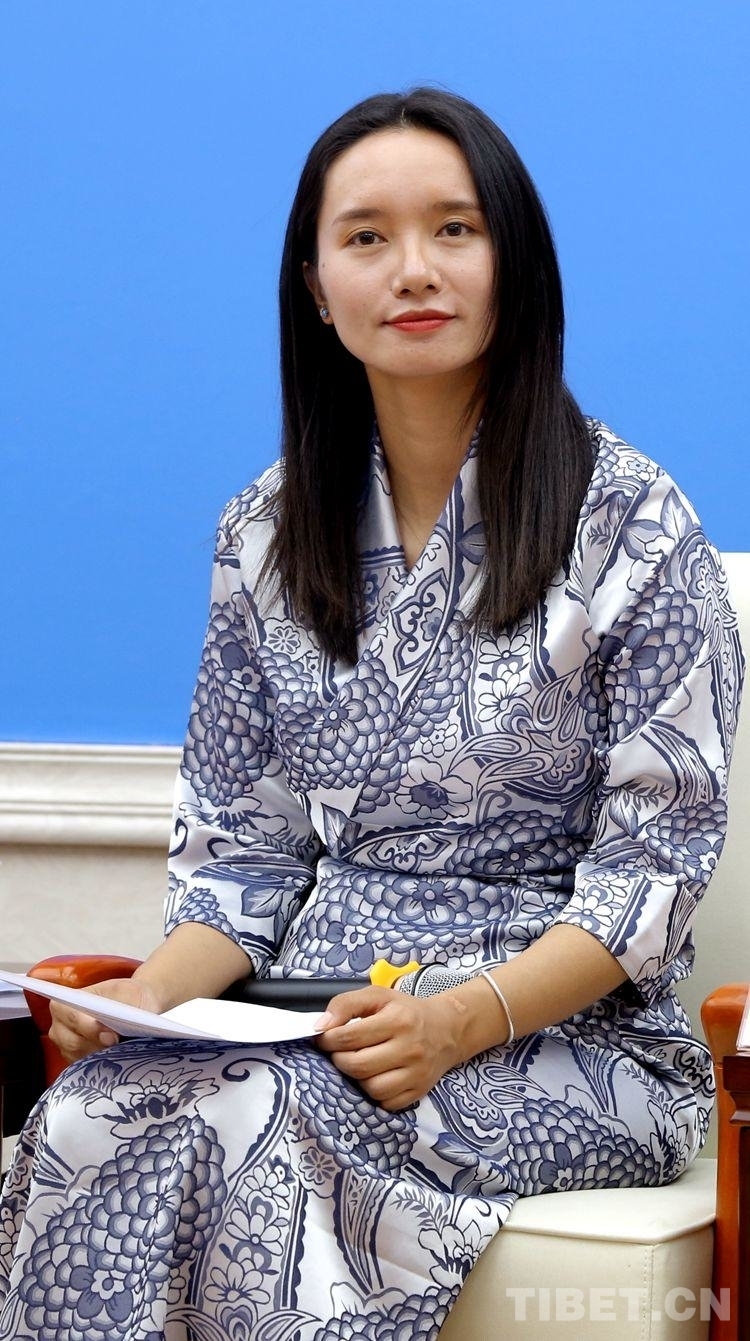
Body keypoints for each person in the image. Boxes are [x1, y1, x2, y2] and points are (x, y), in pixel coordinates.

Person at [0, 87, 744, 1341]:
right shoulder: (264, 533)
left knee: (251, 1119)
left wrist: (455, 1021)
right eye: (366, 237)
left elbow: (652, 876)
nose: (413, 269)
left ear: (515, 260)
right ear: (315, 285)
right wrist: (148, 1005)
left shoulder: (634, 522)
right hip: (315, 1012)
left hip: (568, 1040)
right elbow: (241, 857)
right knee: (86, 1111)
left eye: (455, 229)